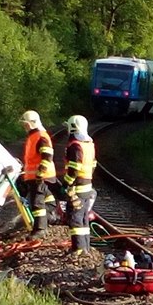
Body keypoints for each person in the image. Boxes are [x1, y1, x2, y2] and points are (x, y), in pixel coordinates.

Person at [20, 110, 61, 241]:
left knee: (37, 203)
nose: (24, 127)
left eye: (26, 124)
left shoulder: (40, 136)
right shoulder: (34, 136)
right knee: (42, 199)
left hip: (40, 177)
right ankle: (49, 218)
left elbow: (47, 156)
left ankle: (40, 229)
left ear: (32, 123)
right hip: (35, 176)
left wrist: (40, 174)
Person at [62, 115, 97, 256]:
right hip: (87, 185)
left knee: (75, 217)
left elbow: (73, 168)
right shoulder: (89, 144)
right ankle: (85, 247)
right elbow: (93, 164)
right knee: (83, 218)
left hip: (77, 187)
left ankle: (78, 249)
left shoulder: (75, 146)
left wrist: (66, 183)